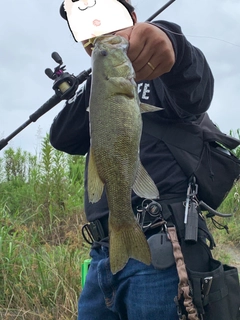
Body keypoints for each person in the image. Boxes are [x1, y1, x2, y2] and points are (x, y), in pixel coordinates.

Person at [50, 1, 214, 319]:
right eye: (88, 34)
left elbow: (196, 88)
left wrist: (172, 42)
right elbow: (61, 137)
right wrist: (95, 82)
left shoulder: (165, 78)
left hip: (160, 250)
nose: (97, 34)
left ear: (134, 19)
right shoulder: (97, 92)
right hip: (102, 255)